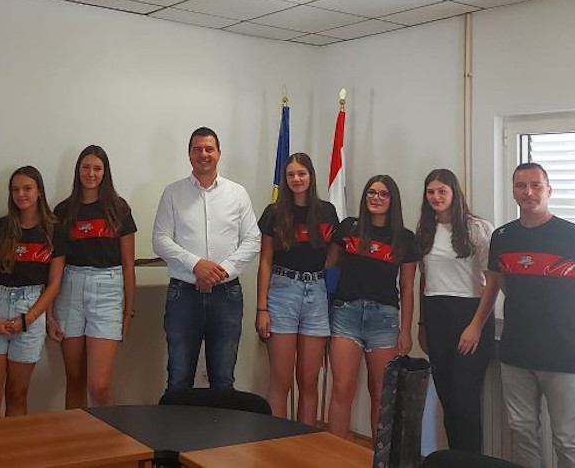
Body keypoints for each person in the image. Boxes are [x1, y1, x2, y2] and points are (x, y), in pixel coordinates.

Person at [462, 162, 575, 468]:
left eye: (536, 186)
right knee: (522, 432)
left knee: (567, 439)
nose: (528, 192)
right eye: (521, 186)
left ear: (548, 190)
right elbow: (501, 283)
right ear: (513, 191)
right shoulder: (502, 237)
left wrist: (570, 325)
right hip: (516, 354)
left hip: (564, 355)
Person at [153, 127, 261, 390]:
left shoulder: (237, 193)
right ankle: (177, 421)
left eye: (209, 149)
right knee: (178, 378)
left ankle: (220, 421)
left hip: (226, 295)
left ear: (219, 153)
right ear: (189, 155)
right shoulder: (173, 193)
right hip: (183, 295)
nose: (204, 154)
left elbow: (253, 239)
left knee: (223, 380)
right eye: (197, 149)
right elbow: (160, 240)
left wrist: (222, 271)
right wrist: (196, 264)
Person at [326, 174, 418, 439]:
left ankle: (379, 456)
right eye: (371, 192)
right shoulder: (348, 227)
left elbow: (407, 287)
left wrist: (406, 331)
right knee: (342, 389)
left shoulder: (405, 238)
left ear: (393, 200)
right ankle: (335, 454)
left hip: (384, 321)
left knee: (381, 393)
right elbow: (328, 267)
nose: (376, 198)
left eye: (383, 194)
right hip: (345, 314)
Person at [414, 169, 494, 453]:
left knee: (465, 399)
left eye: (442, 191)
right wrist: (422, 324)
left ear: (454, 193)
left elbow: (493, 283)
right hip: (437, 315)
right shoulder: (425, 230)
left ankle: (470, 460)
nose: (436, 197)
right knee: (447, 398)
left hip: (470, 315)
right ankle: (454, 459)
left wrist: (476, 326)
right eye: (431, 192)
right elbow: (424, 280)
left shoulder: (477, 228)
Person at [0, 166, 66, 418]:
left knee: (17, 394)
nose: (21, 194)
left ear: (39, 191)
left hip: (31, 311)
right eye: (15, 189)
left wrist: (30, 318)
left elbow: (54, 283)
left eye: (27, 188)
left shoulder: (54, 231)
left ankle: (13, 444)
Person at [256, 153, 338, 423]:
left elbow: (334, 254)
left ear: (311, 176)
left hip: (316, 293)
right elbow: (265, 261)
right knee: (281, 381)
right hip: (282, 292)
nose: (296, 179)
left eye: (301, 173)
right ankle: (278, 442)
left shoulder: (327, 212)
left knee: (309, 381)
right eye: (291, 174)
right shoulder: (274, 212)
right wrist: (261, 309)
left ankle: (306, 442)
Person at [53, 146, 136, 408]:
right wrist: (49, 313)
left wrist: (128, 312)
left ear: (105, 172)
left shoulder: (119, 209)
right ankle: (75, 434)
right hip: (70, 289)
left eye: (97, 168)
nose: (91, 174)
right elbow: (55, 265)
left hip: (108, 291)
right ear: (78, 170)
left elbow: (128, 266)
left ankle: (105, 434)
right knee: (75, 378)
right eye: (86, 167)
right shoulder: (63, 211)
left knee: (99, 385)